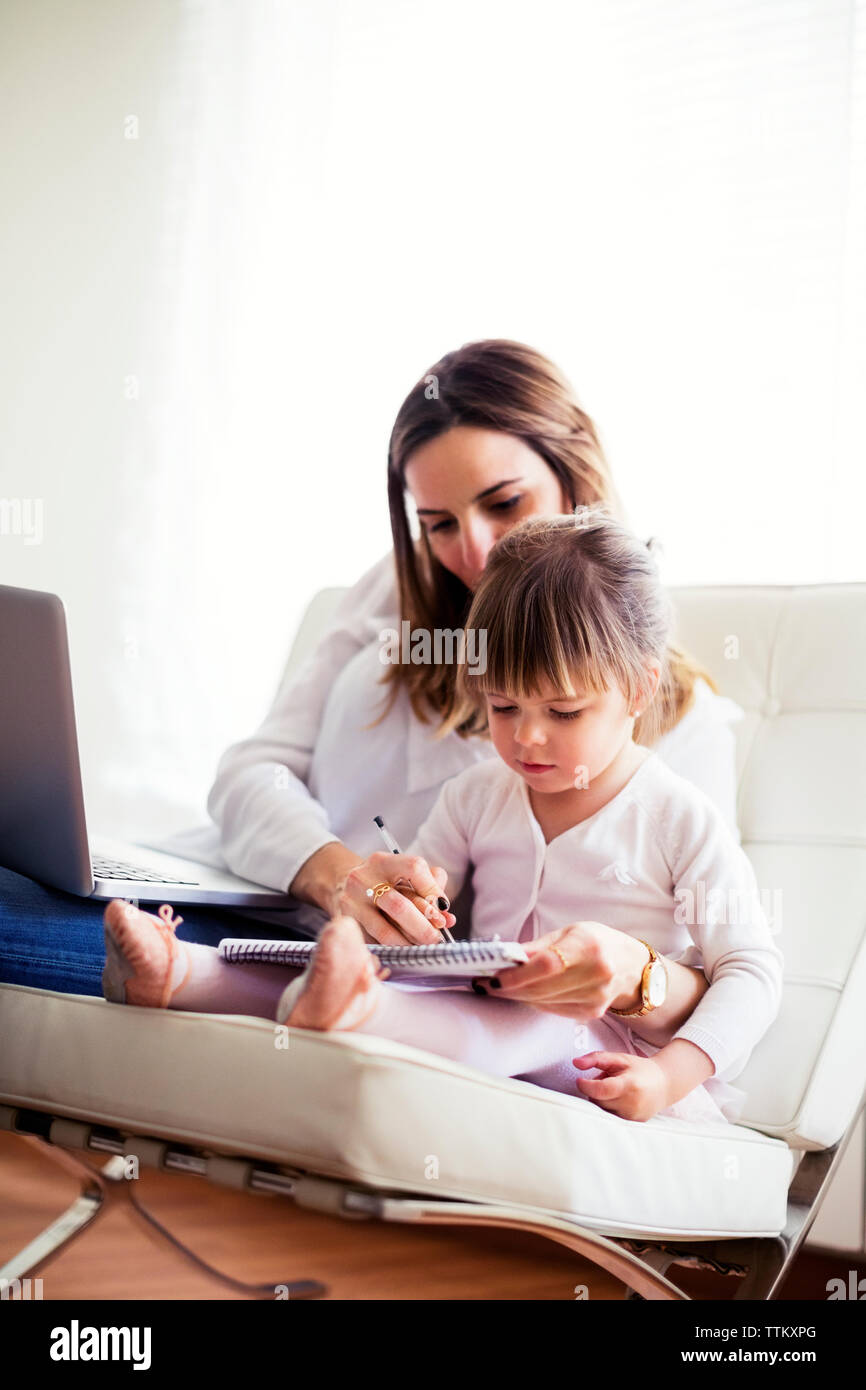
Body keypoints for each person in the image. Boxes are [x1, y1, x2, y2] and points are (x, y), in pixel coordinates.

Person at [0, 340, 743, 1023]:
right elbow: (249, 775)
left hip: (363, 973)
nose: (476, 551)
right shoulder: (394, 591)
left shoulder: (674, 718)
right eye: (439, 523)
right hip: (240, 891)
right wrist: (336, 876)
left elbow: (708, 972)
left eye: (505, 502)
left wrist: (636, 975)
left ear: (576, 474)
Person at [101, 510, 783, 1125]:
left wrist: (669, 1076)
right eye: (504, 707)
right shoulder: (478, 793)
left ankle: (358, 1010)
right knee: (383, 968)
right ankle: (181, 971)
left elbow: (752, 972)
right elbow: (415, 929)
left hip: (601, 1049)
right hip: (482, 1006)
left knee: (531, 1017)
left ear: (638, 688)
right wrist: (409, 899)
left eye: (564, 712)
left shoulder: (676, 818)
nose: (527, 739)